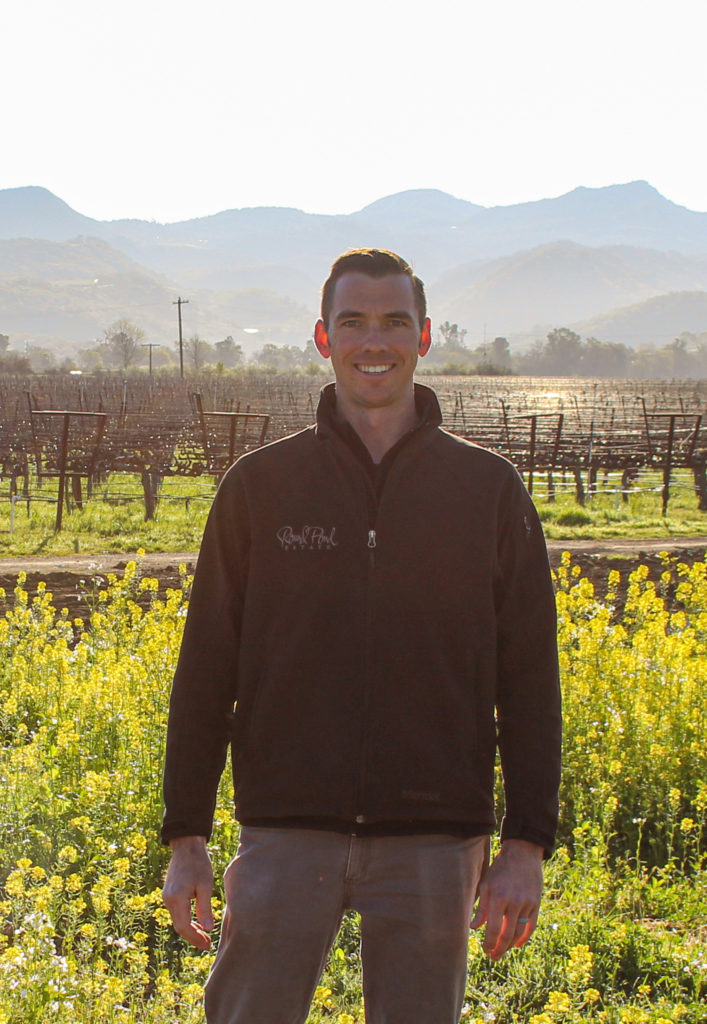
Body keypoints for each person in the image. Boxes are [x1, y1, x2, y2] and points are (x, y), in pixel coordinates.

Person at [161, 248, 561, 1024]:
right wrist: (187, 836)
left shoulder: (486, 491)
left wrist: (526, 844)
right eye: (353, 322)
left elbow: (529, 679)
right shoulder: (259, 486)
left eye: (393, 322)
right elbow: (206, 670)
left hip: (435, 839)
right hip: (284, 829)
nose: (372, 341)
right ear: (321, 337)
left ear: (424, 336)